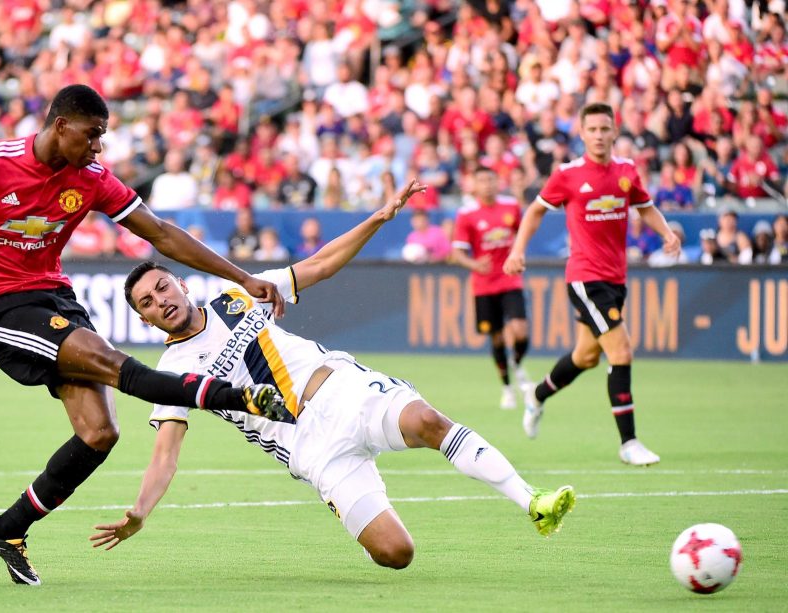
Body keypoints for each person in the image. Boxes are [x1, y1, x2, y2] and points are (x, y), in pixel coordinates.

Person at [0, 85, 287, 586]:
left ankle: (8, 531)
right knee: (117, 366)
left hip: (56, 296)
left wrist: (242, 277)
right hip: (1, 305)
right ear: (60, 125)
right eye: (92, 135)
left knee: (100, 432)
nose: (98, 147)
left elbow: (160, 232)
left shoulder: (91, 178)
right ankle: (240, 398)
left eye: (102, 137)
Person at [90, 180, 576, 566]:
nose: (161, 301)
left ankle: (532, 501)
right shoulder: (171, 374)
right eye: (148, 303)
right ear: (143, 319)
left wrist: (379, 218)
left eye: (162, 287)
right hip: (311, 450)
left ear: (179, 282)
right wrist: (139, 512)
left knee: (427, 422)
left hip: (344, 391)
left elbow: (320, 265)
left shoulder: (237, 295)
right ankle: (366, 511)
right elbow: (165, 455)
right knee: (396, 554)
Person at [504, 102, 680, 466]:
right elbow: (535, 210)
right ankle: (629, 443)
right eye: (592, 130)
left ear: (615, 131)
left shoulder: (627, 171)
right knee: (621, 351)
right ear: (582, 134)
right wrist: (517, 249)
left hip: (616, 278)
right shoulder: (567, 175)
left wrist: (667, 234)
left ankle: (536, 395)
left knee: (585, 356)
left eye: (605, 129)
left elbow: (644, 206)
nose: (599, 135)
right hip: (585, 277)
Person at [450, 167, 530, 410]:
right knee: (496, 338)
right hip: (484, 286)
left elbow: (523, 233)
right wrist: (474, 263)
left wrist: (517, 253)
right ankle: (507, 387)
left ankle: (517, 364)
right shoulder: (467, 214)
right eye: (482, 180)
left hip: (510, 279)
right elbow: (457, 252)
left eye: (491, 179)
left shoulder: (511, 207)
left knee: (520, 331)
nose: (487, 184)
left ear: (498, 182)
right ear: (474, 184)